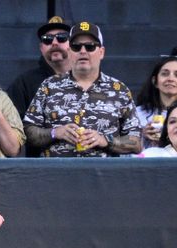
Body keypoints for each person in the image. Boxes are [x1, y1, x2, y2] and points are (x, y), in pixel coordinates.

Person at [23, 21, 141, 157]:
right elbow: (27, 131)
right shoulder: (49, 86)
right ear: (69, 51)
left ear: (101, 52)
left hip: (104, 175)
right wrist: (55, 132)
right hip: (57, 174)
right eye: (76, 47)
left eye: (90, 47)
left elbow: (136, 142)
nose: (83, 51)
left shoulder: (119, 90)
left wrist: (106, 140)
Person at [6, 16, 72, 118]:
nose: (54, 43)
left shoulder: (88, 80)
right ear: (41, 48)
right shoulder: (24, 83)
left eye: (62, 37)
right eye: (47, 39)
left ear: (73, 44)